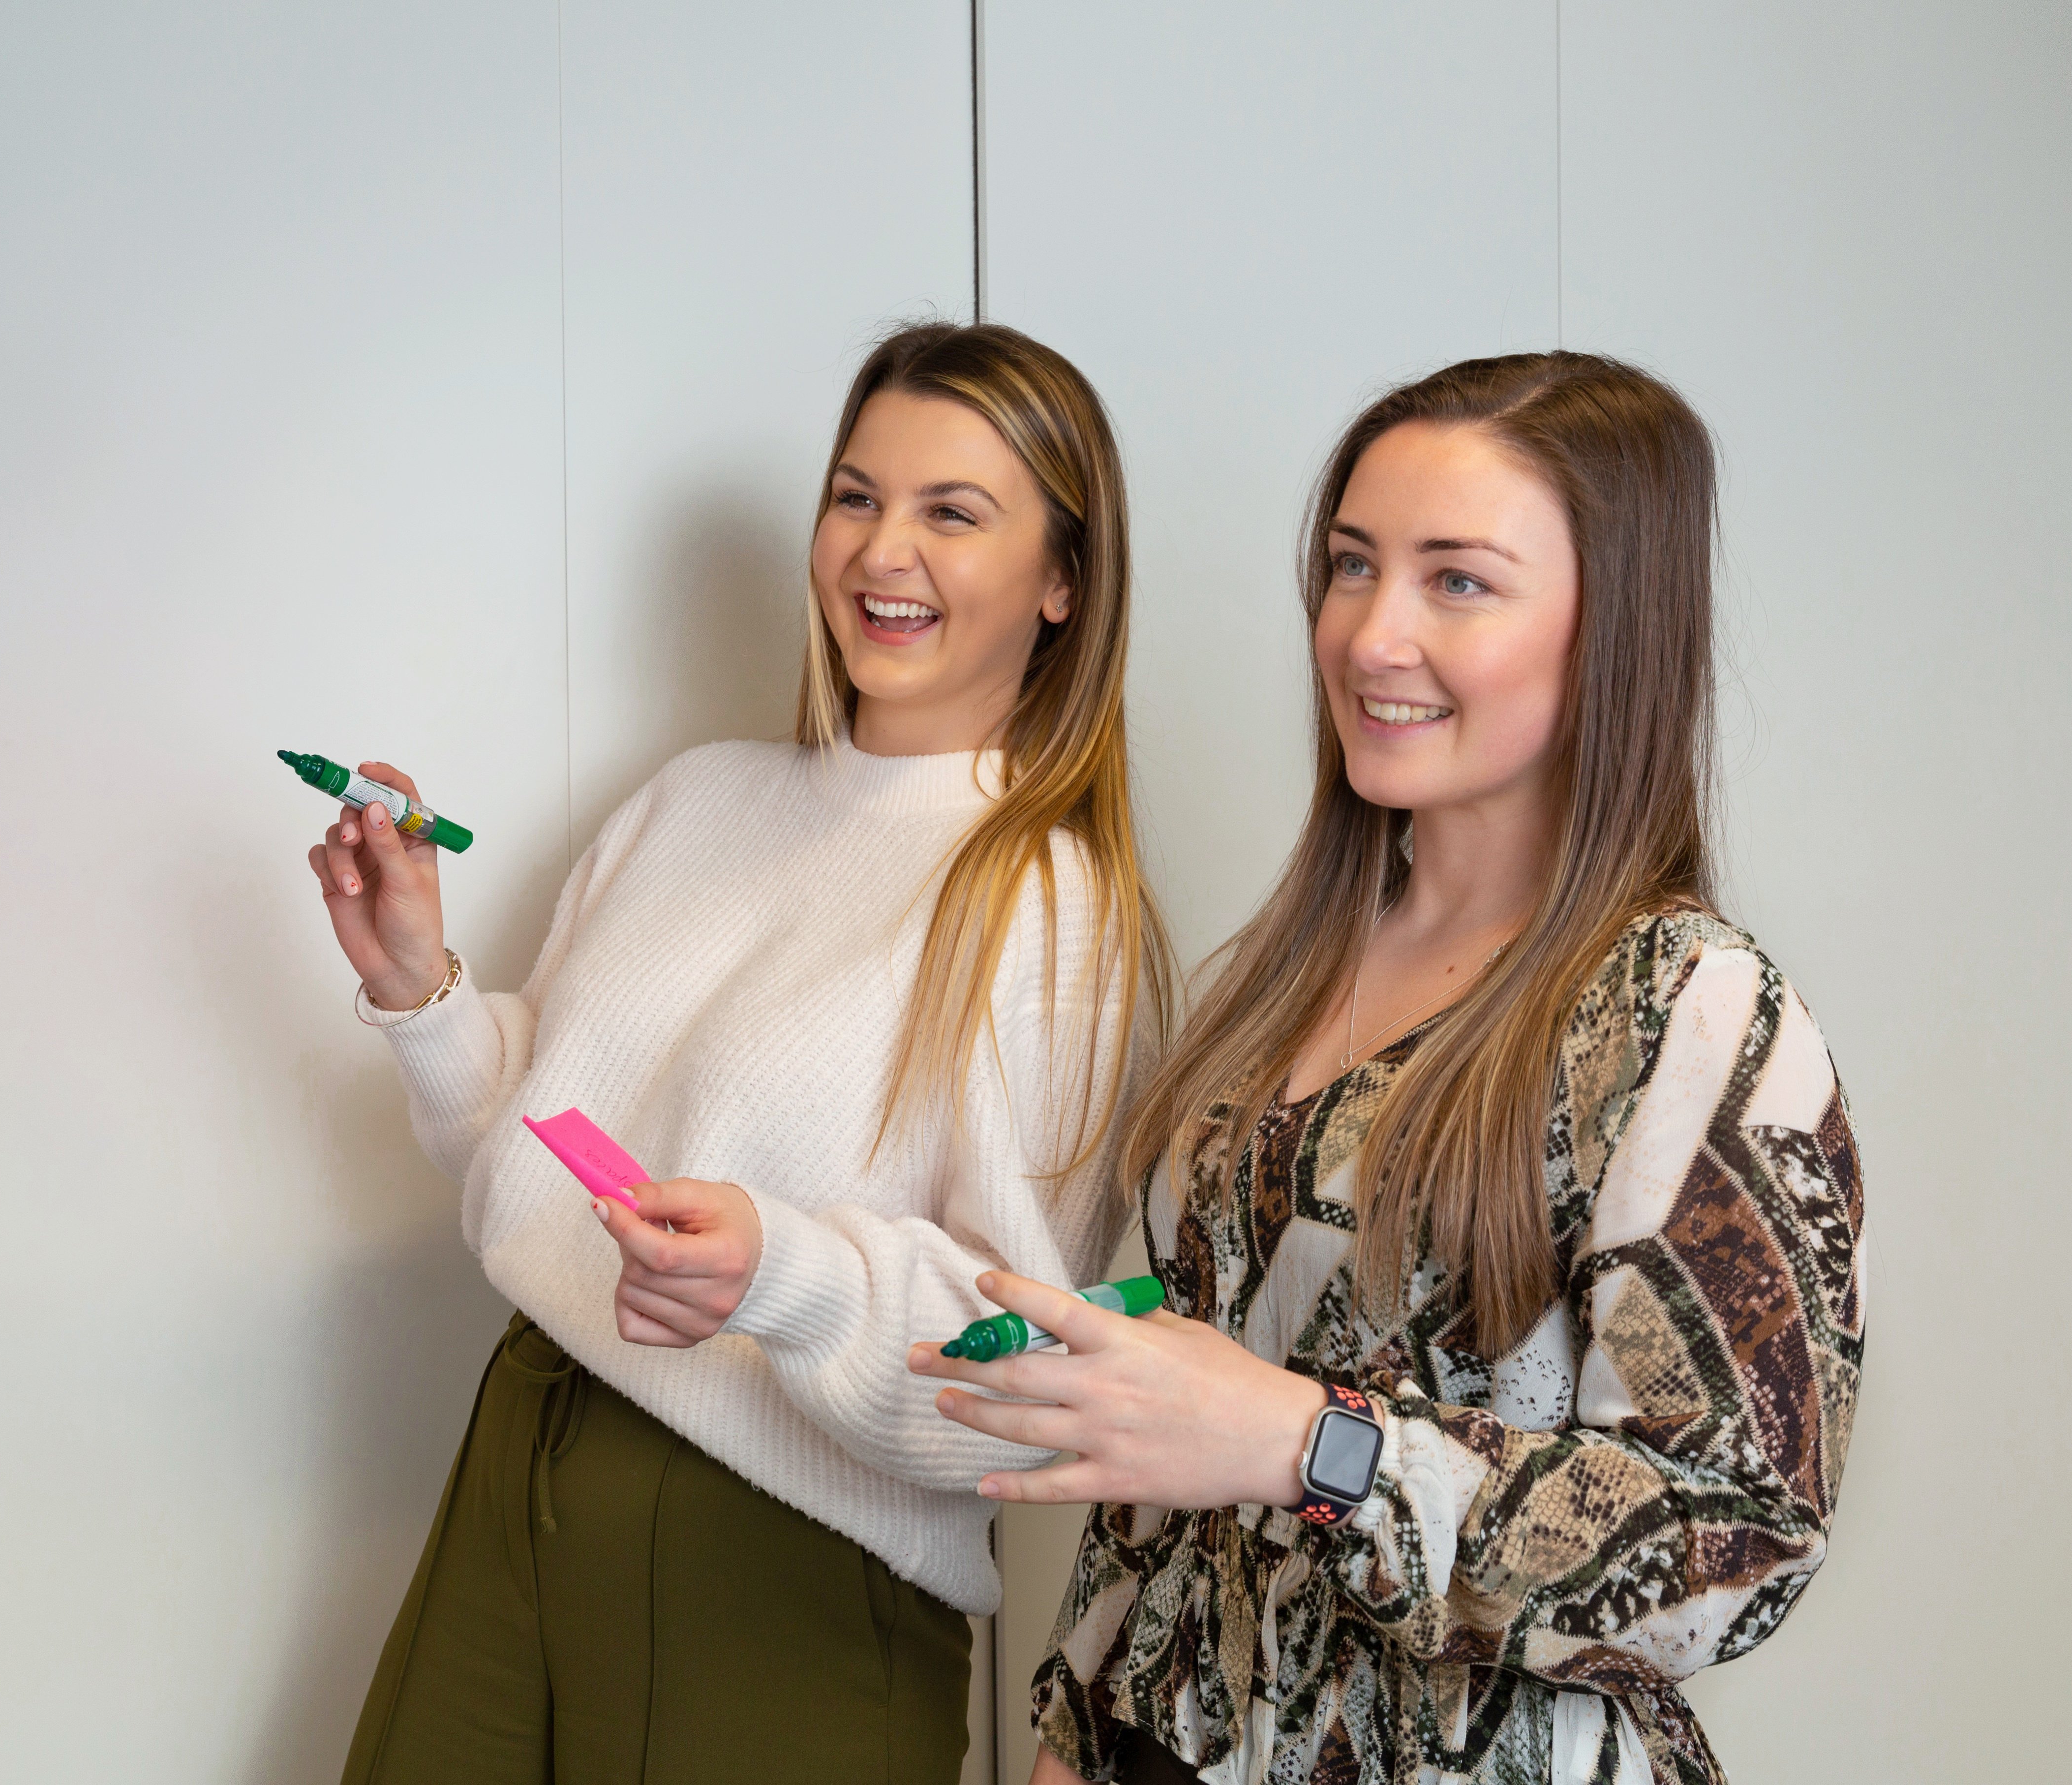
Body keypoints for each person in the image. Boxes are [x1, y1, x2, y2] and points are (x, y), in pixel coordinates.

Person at [915, 353, 1864, 1785]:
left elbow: (1735, 1540)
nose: (1370, 634)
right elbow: (1168, 1446)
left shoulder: (1690, 1012)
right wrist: (1072, 1726)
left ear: (1612, 627)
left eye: (1456, 580)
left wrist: (1312, 1443)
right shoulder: (1288, 966)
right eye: (1351, 567)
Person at [312, 321, 1174, 1784]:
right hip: (524, 1450)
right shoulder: (695, 799)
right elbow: (549, 1166)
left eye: (951, 512)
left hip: (781, 1563)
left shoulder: (1049, 904)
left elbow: (1035, 1369)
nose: (880, 550)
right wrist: (423, 990)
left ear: (1060, 581)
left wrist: (775, 1274)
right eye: (855, 496)